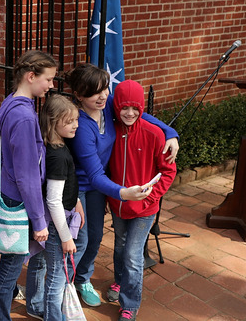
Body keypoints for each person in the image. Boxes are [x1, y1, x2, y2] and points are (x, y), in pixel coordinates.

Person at [65, 64, 179, 308]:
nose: (103, 95)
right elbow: (94, 175)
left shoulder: (107, 104)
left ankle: (82, 277)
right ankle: (66, 284)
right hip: (83, 187)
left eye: (105, 89)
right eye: (95, 92)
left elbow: (136, 111)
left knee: (96, 237)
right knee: (82, 239)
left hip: (102, 187)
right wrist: (123, 193)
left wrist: (170, 132)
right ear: (80, 96)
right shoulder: (83, 125)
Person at [0, 50, 57, 321]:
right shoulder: (26, 118)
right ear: (31, 76)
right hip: (21, 201)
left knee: (11, 260)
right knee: (11, 264)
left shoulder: (12, 102)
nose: (50, 86)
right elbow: (28, 177)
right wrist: (39, 222)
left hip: (10, 193)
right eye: (48, 79)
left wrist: (5, 172)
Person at [107, 80, 177, 320]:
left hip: (146, 208)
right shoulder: (110, 130)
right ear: (116, 106)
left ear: (142, 107)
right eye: (124, 108)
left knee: (132, 254)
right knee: (119, 246)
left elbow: (168, 171)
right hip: (118, 204)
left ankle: (130, 304)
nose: (129, 113)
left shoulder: (154, 133)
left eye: (135, 108)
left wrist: (151, 199)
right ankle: (119, 281)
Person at [25, 94, 85, 321]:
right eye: (69, 121)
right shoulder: (58, 156)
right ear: (53, 122)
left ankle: (33, 304)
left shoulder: (52, 145)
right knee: (57, 277)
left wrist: (77, 200)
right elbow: (53, 199)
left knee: (39, 261)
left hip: (47, 220)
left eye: (76, 120)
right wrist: (66, 236)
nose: (76, 125)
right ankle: (52, 317)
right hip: (55, 224)